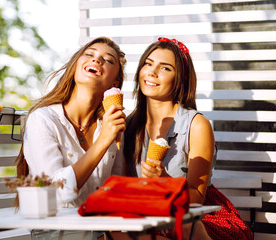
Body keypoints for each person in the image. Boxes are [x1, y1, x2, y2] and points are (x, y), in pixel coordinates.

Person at [121, 37, 252, 240]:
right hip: (150, 218)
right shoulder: (128, 126)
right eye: (148, 63)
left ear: (180, 78)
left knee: (181, 227)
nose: (152, 72)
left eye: (165, 68)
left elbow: (196, 198)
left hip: (201, 218)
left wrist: (163, 181)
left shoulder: (196, 125)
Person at [15, 36, 126, 208]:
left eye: (108, 60)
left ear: (114, 83)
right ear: (75, 67)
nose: (96, 59)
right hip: (56, 230)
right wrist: (103, 141)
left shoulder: (112, 125)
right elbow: (57, 192)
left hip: (101, 228)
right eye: (89, 54)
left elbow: (117, 187)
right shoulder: (42, 119)